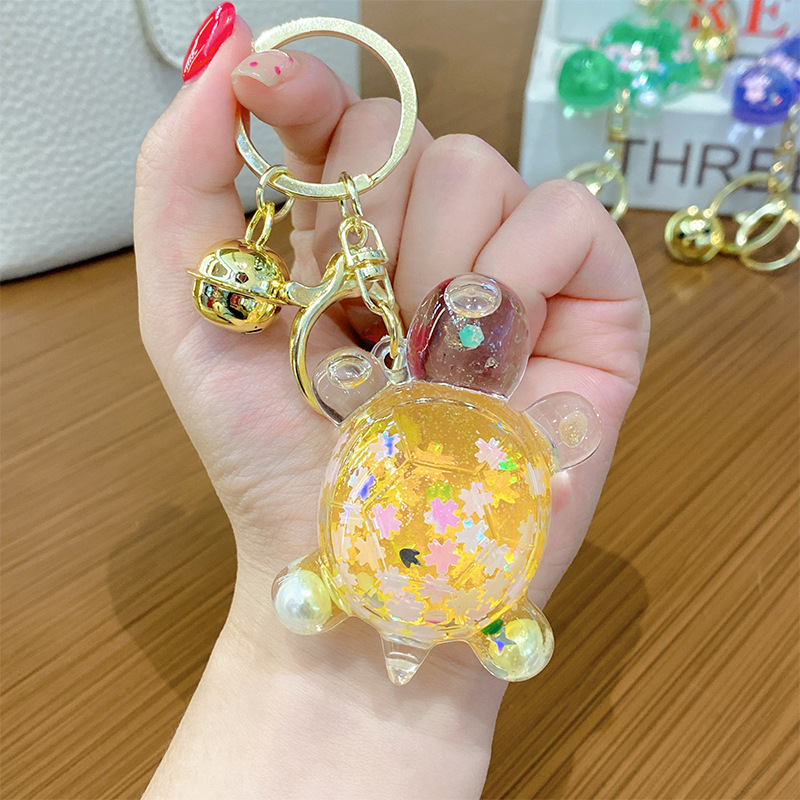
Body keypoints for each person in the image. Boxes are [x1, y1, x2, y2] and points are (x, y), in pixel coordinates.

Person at [134, 8, 649, 799]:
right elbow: (549, 426)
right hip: (395, 590)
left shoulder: (412, 413)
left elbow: (374, 391)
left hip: (381, 589)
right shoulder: (449, 420)